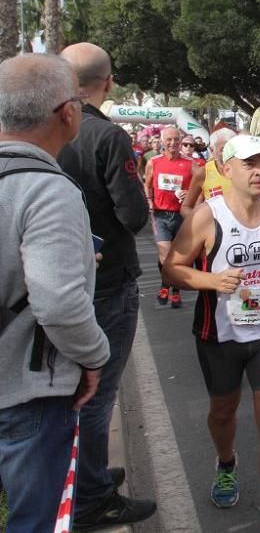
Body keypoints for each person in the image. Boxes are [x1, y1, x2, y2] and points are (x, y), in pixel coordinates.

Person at [164, 135, 260, 532]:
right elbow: (171, 268)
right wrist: (210, 279)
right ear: (226, 169)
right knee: (223, 411)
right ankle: (226, 462)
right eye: (249, 164)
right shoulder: (207, 217)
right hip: (220, 333)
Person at [0, 54, 111, 533]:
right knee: (35, 521)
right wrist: (94, 356)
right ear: (68, 112)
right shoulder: (47, 190)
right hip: (29, 391)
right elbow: (59, 303)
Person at [56, 43, 157, 529]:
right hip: (107, 278)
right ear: (109, 82)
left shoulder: (41, 132)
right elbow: (134, 214)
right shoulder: (107, 135)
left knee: (68, 388)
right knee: (97, 393)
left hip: (55, 279)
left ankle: (90, 473)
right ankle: (92, 495)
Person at [145, 126, 197, 308]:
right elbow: (147, 184)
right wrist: (149, 201)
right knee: (165, 255)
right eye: (169, 140)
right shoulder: (154, 162)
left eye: (177, 140)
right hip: (160, 214)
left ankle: (172, 288)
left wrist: (188, 193)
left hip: (181, 215)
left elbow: (199, 188)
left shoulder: (191, 163)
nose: (173, 143)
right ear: (162, 141)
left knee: (179, 256)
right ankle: (168, 286)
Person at [183, 127, 238, 215]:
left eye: (231, 149)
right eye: (223, 149)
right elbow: (186, 207)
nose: (228, 153)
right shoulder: (203, 172)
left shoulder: (244, 170)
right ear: (212, 150)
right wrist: (198, 222)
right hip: (215, 226)